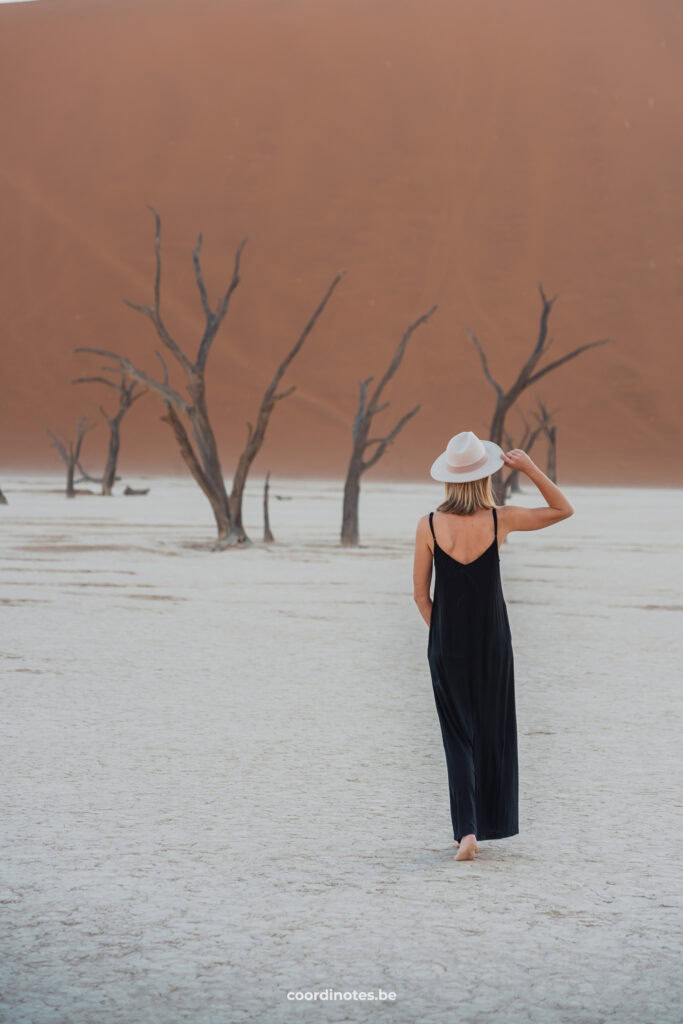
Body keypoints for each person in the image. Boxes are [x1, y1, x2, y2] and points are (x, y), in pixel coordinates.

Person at [412, 430, 574, 861]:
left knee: (457, 737)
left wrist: (442, 634)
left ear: (448, 479)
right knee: (491, 731)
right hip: (493, 644)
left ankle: (466, 832)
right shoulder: (501, 519)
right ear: (485, 476)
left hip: (446, 645)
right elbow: (564, 508)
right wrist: (530, 468)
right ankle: (483, 825)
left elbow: (420, 596)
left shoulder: (428, 525)